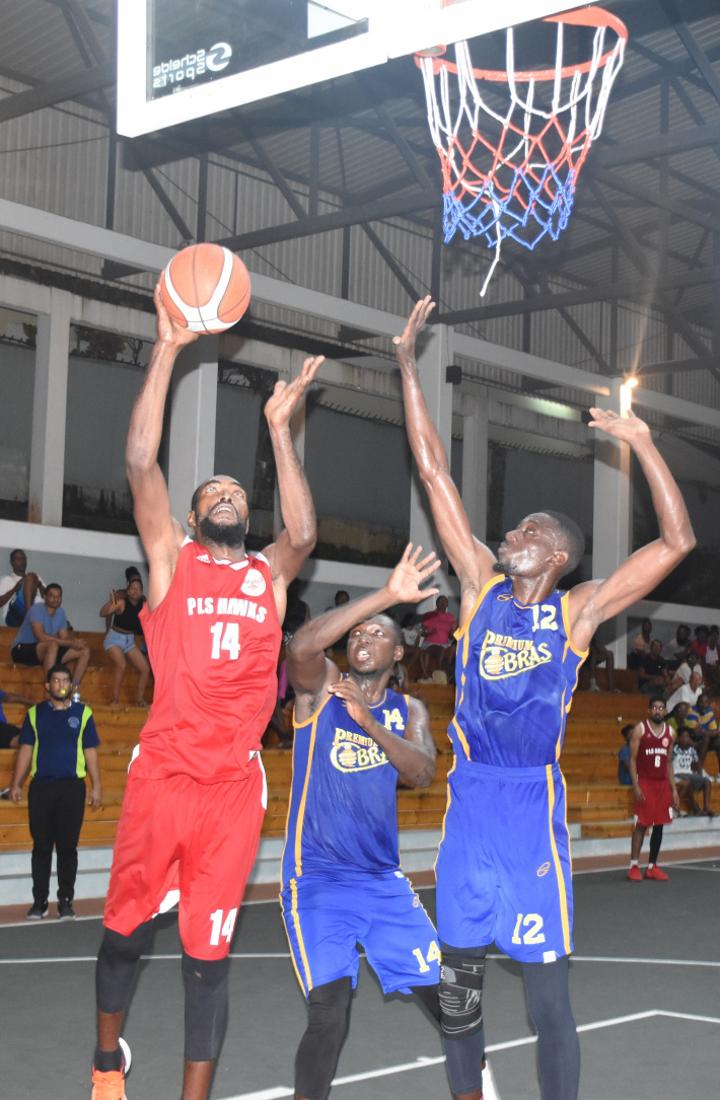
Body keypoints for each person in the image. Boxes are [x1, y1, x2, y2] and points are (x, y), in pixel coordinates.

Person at [393, 296, 695, 1100]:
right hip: (470, 805)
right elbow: (433, 470)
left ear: (556, 553)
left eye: (527, 530)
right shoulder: (478, 586)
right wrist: (406, 366)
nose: (510, 536)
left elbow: (677, 542)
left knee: (547, 1003)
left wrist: (643, 444)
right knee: (460, 991)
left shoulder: (577, 613)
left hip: (531, 808)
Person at [90, 285, 322, 1100]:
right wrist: (167, 350)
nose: (229, 495)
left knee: (206, 958)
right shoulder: (171, 562)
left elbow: (304, 533)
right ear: (191, 520)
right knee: (124, 935)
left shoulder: (269, 575)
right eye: (213, 493)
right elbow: (139, 462)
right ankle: (106, 1065)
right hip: (163, 774)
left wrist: (280, 430)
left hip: (231, 788)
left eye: (237, 493)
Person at [282, 544, 442, 1100]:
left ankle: (478, 1086)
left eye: (377, 633)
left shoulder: (408, 710)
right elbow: (300, 647)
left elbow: (422, 773)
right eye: (356, 633)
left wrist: (370, 722)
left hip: (382, 882)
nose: (362, 638)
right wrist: (386, 596)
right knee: (329, 1014)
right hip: (318, 881)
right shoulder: (321, 689)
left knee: (453, 1005)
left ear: (398, 652)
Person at [9, 663, 101, 920]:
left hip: (72, 789)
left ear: (71, 685)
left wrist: (97, 786)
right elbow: (26, 750)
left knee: (68, 848)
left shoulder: (84, 714)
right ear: (47, 686)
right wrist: (16, 783)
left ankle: (66, 901)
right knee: (41, 847)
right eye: (57, 681)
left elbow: (90, 752)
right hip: (41, 789)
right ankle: (39, 902)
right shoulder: (34, 714)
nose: (61, 685)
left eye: (66, 680)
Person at [627, 697, 679, 882]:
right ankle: (634, 865)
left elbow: (669, 762)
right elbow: (632, 759)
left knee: (659, 825)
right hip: (646, 782)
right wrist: (636, 785)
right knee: (641, 824)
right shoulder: (640, 729)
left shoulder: (671, 733)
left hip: (662, 784)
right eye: (654, 708)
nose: (658, 711)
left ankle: (652, 866)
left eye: (661, 708)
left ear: (665, 711)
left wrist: (674, 789)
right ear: (649, 710)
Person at [10, 583, 91, 689]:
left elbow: (64, 638)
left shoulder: (61, 612)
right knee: (52, 645)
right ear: (45, 597)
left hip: (46, 650)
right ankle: (50, 689)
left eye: (58, 596)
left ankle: (73, 688)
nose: (55, 599)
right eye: (52, 596)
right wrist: (70, 643)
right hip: (21, 649)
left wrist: (75, 642)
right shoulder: (37, 609)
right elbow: (41, 637)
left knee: (84, 650)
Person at [99, 576, 150, 708]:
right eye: (132, 588)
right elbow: (102, 613)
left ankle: (140, 700)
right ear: (128, 591)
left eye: (138, 588)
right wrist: (111, 603)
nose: (135, 590)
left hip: (129, 640)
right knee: (121, 664)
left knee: (145, 669)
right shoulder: (121, 602)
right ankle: (114, 700)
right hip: (114, 638)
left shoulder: (144, 605)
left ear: (142, 592)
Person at [672, 727, 713, 817]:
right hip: (677, 774)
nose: (687, 739)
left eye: (688, 737)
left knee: (707, 781)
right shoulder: (674, 750)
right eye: (685, 737)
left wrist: (700, 775)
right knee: (688, 782)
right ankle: (694, 808)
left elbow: (696, 765)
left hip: (689, 774)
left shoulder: (692, 750)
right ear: (679, 739)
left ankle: (706, 807)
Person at [0, 549, 45, 627]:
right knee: (30, 577)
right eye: (18, 559)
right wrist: (14, 589)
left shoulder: (36, 578)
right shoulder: (6, 579)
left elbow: (48, 597)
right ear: (12, 562)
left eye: (24, 558)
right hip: (14, 617)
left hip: (37, 612)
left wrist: (40, 585)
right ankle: (29, 617)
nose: (22, 561)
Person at [418, 594, 457, 680]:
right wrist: (429, 632)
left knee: (454, 649)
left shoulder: (450, 617)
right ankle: (438, 671)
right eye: (441, 602)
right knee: (440, 650)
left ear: (447, 604)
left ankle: (449, 675)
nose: (443, 604)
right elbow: (422, 633)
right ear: (437, 603)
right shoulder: (429, 615)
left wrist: (453, 632)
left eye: (445, 602)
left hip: (445, 644)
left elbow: (451, 637)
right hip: (430, 643)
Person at [685, 692, 720, 769]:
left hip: (704, 739)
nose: (704, 705)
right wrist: (711, 732)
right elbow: (695, 732)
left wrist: (706, 732)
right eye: (701, 702)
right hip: (692, 740)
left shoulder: (709, 711)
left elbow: (714, 730)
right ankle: (699, 767)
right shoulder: (692, 710)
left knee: (718, 740)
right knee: (706, 738)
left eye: (706, 702)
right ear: (697, 703)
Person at [0, 685, 35, 750]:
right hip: (4, 731)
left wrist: (37, 705)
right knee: (26, 739)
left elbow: (10, 697)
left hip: (5, 729)